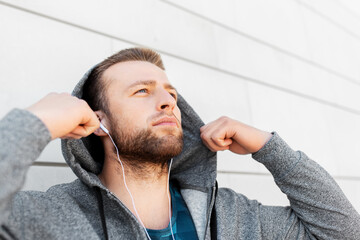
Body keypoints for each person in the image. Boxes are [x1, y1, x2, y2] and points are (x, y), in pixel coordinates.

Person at [0, 48, 359, 240]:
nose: (168, 102)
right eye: (142, 90)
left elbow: (343, 233)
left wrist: (269, 148)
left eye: (170, 93)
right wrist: (36, 122)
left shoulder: (235, 219)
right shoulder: (47, 218)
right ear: (99, 120)